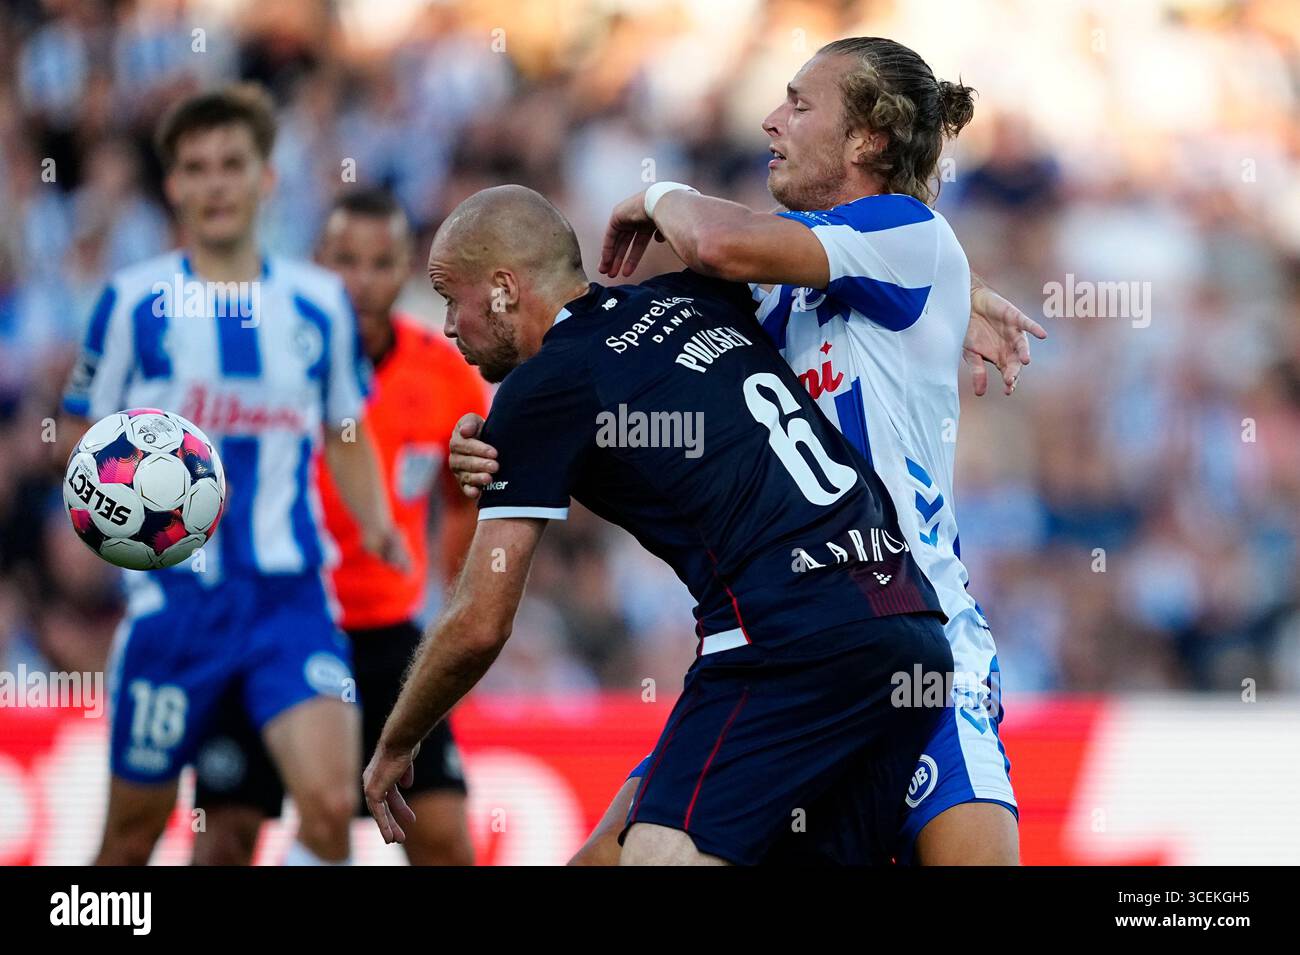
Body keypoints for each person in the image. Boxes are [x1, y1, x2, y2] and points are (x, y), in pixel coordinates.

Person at [450, 37, 1044, 866]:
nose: (771, 121)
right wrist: (502, 441)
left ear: (867, 138)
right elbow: (615, 368)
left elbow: (721, 241)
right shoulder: (779, 281)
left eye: (799, 104)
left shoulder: (904, 235)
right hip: (794, 647)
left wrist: (657, 192)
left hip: (924, 642)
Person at [363, 184, 953, 866]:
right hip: (906, 627)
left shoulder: (546, 385)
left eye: (449, 296)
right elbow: (849, 268)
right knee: (604, 859)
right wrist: (963, 302)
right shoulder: (693, 296)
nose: (447, 325)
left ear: (502, 289)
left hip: (786, 637)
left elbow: (480, 622)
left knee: (653, 857)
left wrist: (397, 739)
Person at [56, 84, 406, 866]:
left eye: (232, 164)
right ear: (173, 185)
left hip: (290, 597)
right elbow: (76, 432)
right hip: (173, 608)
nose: (215, 183)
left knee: (329, 809)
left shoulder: (319, 304)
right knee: (131, 839)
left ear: (265, 178)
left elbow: (344, 429)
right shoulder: (132, 302)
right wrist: (109, 502)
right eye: (196, 167)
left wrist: (378, 522)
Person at [189, 188, 486, 866]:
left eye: (381, 263)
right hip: (266, 618)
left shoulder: (447, 375)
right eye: (344, 261)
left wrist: (456, 608)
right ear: (316, 262)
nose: (361, 281)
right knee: (226, 835)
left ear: (407, 270)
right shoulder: (259, 363)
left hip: (385, 635)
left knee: (443, 838)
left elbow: (465, 500)